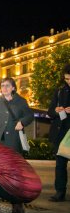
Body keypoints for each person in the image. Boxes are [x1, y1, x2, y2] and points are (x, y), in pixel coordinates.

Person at [0, 77, 34, 153]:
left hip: (13, 139)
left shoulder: (21, 101)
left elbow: (30, 115)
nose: (4, 88)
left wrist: (22, 122)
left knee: (12, 163)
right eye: (2, 85)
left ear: (13, 88)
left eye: (7, 85)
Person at [48, 64, 70, 202]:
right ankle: (60, 192)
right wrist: (56, 110)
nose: (69, 81)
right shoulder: (59, 91)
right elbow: (50, 112)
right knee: (60, 165)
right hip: (61, 133)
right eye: (67, 79)